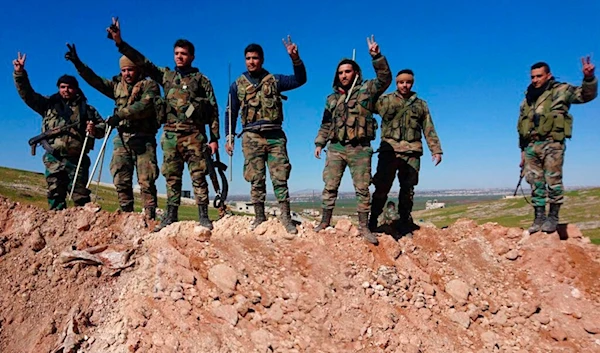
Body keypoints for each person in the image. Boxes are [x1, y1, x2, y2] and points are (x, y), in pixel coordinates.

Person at [106, 18, 220, 231]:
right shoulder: (165, 76)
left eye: (184, 53)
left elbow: (213, 110)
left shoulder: (201, 80)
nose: (179, 56)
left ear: (192, 56)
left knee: (198, 175)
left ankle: (203, 215)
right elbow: (142, 62)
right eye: (177, 53)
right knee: (171, 176)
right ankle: (171, 215)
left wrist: (214, 139)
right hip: (169, 135)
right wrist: (120, 43)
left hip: (194, 134)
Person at [65, 43, 161, 219]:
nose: (127, 74)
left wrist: (121, 114)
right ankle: (126, 216)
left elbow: (144, 106)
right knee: (120, 177)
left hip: (144, 138)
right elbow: (95, 80)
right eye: (124, 70)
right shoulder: (117, 86)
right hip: (122, 138)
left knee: (146, 180)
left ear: (138, 69)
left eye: (130, 70)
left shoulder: (150, 85)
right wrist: (78, 63)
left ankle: (150, 217)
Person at [224, 36, 307, 235]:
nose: (251, 61)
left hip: (275, 136)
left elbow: (300, 79)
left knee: (280, 178)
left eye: (255, 58)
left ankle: (285, 217)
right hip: (251, 136)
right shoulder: (238, 85)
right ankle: (259, 216)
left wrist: (295, 59)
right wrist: (229, 136)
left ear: (262, 59)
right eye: (248, 58)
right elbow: (230, 112)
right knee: (256, 178)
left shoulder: (275, 80)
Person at [313, 35, 392, 245]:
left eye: (347, 71)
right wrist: (319, 143)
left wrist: (377, 57)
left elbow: (385, 79)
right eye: (340, 73)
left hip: (360, 148)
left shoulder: (367, 90)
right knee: (330, 186)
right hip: (336, 147)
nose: (344, 75)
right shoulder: (332, 99)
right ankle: (324, 221)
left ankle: (364, 227)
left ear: (355, 72)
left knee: (362, 188)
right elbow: (326, 123)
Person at [13, 52, 106, 210]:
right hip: (54, 158)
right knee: (55, 195)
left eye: (70, 87)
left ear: (76, 89)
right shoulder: (48, 105)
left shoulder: (88, 110)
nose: (66, 90)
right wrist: (20, 74)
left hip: (78, 160)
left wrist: (94, 129)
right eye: (63, 87)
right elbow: (28, 95)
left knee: (81, 197)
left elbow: (103, 128)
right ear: (58, 88)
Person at [518, 57, 597, 234]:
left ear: (548, 75)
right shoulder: (528, 99)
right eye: (533, 77)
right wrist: (522, 152)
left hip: (552, 143)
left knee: (553, 181)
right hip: (531, 145)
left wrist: (589, 78)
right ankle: (539, 218)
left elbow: (586, 95)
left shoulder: (561, 90)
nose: (535, 80)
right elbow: (522, 126)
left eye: (539, 76)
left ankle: (553, 217)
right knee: (535, 183)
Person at [370, 69, 443, 237]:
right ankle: (373, 220)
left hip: (412, 152)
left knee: (408, 189)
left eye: (408, 82)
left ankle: (404, 222)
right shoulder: (385, 101)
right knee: (382, 186)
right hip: (389, 151)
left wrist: (436, 150)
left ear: (412, 83)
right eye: (401, 82)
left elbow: (428, 128)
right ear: (397, 83)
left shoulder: (420, 105)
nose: (405, 85)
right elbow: (367, 104)